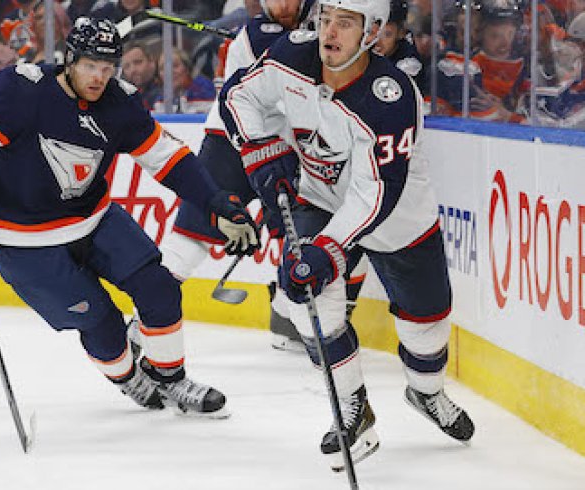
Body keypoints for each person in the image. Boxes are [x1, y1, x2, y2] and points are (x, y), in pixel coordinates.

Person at [0, 17, 259, 417]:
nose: (99, 77)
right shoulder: (19, 91)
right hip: (26, 246)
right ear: (69, 59)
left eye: (107, 68)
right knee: (103, 325)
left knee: (158, 288)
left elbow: (168, 159)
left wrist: (216, 202)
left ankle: (171, 378)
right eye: (90, 66)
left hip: (95, 221)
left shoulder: (118, 103)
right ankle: (128, 379)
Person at [220, 0, 475, 470]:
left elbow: (374, 196)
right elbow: (238, 95)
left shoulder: (393, 96)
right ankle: (352, 408)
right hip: (319, 197)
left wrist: (329, 249)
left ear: (373, 31)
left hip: (397, 217)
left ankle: (426, 393)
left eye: (346, 22)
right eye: (326, 18)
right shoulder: (291, 55)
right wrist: (260, 150)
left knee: (427, 325)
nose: (329, 31)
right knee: (303, 290)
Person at [156, 0, 319, 354]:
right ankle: (146, 317)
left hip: (291, 145)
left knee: (303, 236)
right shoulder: (255, 37)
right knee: (194, 231)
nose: (283, 5)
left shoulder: (325, 24)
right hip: (231, 137)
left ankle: (287, 314)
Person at [152, 48, 215, 113]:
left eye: (175, 66)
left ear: (187, 68)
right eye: (163, 68)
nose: (169, 72)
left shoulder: (203, 88)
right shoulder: (161, 97)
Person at [119, 40, 159, 108]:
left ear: (151, 61)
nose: (133, 70)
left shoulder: (168, 88)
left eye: (137, 62)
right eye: (127, 66)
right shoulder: (123, 97)